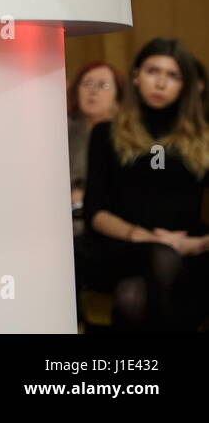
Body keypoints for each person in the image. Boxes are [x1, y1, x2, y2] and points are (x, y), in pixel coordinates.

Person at [78, 37, 209, 332]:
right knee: (158, 261)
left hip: (189, 248)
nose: (161, 83)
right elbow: (95, 211)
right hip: (124, 245)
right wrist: (143, 236)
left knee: (132, 297)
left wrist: (196, 244)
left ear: (186, 85)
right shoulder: (106, 133)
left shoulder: (203, 139)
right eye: (153, 71)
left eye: (173, 75)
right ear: (136, 76)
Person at [66, 61, 124, 235]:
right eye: (87, 84)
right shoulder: (62, 131)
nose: (93, 91)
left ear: (119, 98)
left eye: (103, 86)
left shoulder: (126, 137)